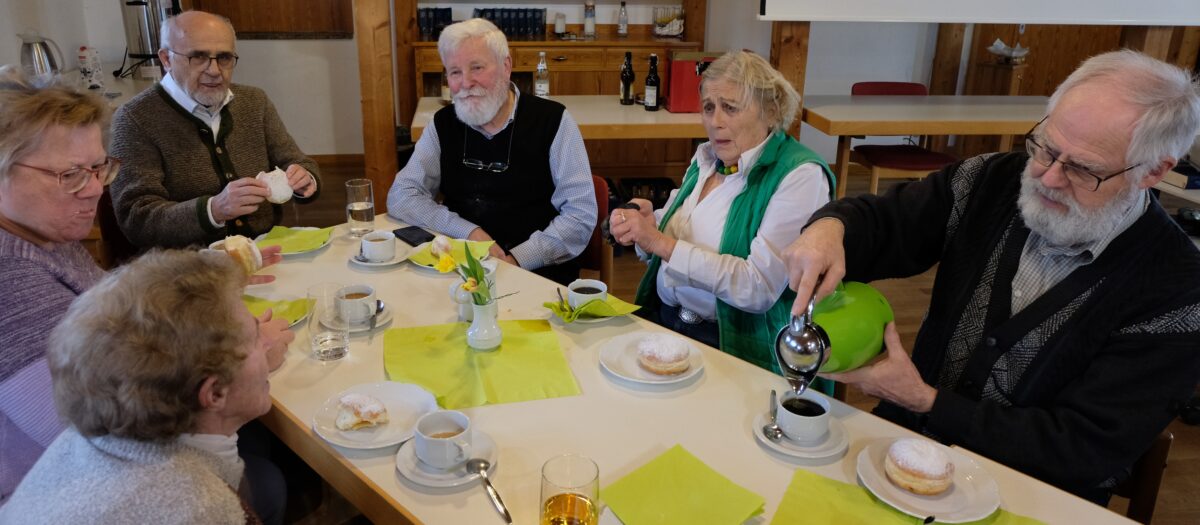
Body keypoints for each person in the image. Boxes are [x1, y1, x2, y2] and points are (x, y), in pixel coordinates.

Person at [783, 50, 1200, 502]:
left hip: (1031, 497)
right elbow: (887, 225)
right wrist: (831, 227)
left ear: (1154, 170)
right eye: (1045, 147)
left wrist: (926, 401)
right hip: (902, 452)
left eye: (1084, 169)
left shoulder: (1178, 291)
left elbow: (1085, 449)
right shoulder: (989, 181)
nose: (1048, 177)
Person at [0, 66, 291, 515]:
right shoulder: (11, 279)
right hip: (73, 489)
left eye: (99, 168)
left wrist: (207, 275)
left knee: (263, 444)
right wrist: (241, 363)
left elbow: (121, 320)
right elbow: (87, 428)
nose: (94, 191)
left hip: (120, 457)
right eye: (70, 175)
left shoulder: (46, 234)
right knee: (267, 481)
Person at [0, 250, 275, 523]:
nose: (266, 344)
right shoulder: (195, 507)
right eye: (255, 336)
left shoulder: (87, 438)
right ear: (214, 393)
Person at [610, 51, 834, 374]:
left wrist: (659, 243)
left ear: (770, 112)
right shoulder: (708, 158)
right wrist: (649, 224)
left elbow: (758, 287)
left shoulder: (800, 175)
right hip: (665, 323)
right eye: (708, 107)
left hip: (733, 346)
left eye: (730, 107)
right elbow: (686, 230)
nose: (715, 121)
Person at [387, 18, 596, 285]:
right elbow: (402, 195)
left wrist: (518, 259)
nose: (466, 82)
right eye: (455, 72)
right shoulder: (443, 123)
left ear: (506, 66)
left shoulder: (553, 121)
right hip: (459, 271)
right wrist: (468, 232)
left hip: (538, 275)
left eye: (477, 68)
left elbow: (580, 214)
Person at [109, 10, 320, 250]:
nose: (214, 70)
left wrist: (304, 178)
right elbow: (136, 218)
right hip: (187, 262)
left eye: (224, 57)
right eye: (198, 57)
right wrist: (214, 210)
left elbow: (296, 161)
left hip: (265, 250)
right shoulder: (135, 119)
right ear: (166, 59)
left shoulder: (254, 101)